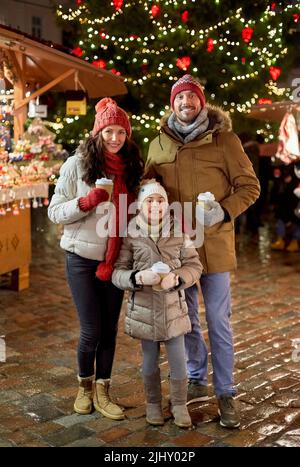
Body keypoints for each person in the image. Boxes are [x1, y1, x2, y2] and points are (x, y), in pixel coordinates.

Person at [145, 74, 260, 428]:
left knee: (219, 322)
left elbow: (249, 186)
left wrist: (223, 209)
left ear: (202, 102)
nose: (185, 104)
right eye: (180, 98)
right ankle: (196, 377)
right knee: (187, 319)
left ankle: (226, 392)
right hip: (179, 250)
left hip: (215, 246)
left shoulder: (225, 141)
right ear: (172, 104)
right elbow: (149, 187)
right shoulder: (158, 145)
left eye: (192, 98)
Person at [48, 98, 144, 419]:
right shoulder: (77, 165)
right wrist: (86, 201)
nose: (115, 138)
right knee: (91, 329)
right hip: (81, 258)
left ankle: (104, 390)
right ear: (97, 133)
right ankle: (84, 387)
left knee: (109, 330)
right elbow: (54, 211)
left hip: (115, 260)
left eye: (120, 132)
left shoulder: (131, 168)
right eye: (108, 131)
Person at [112, 180, 202, 428]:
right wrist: (137, 277)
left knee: (177, 359)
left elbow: (194, 265)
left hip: (173, 309)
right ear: (140, 205)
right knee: (149, 360)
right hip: (144, 309)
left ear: (167, 204)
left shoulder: (179, 232)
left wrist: (178, 278)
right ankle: (153, 403)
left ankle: (180, 403)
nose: (155, 205)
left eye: (160, 200)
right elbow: (118, 271)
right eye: (149, 201)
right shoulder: (130, 234)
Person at [270, 163, 300, 252]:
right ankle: (281, 240)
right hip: (286, 209)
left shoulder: (295, 183)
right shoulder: (281, 184)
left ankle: (295, 241)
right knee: (281, 220)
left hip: (296, 208)